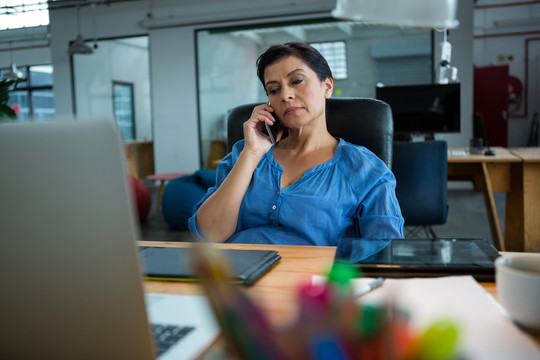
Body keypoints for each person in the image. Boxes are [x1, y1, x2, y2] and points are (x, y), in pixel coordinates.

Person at [189, 42, 404, 245]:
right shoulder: (243, 154)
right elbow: (209, 236)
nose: (285, 95)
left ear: (327, 86)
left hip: (312, 282)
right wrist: (252, 153)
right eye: (274, 90)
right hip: (234, 278)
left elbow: (384, 251)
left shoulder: (365, 169)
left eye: (297, 81)